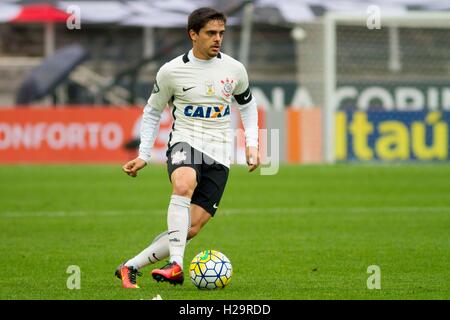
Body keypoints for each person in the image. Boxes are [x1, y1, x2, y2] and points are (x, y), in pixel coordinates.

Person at [115, 7, 260, 288]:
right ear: (193, 34)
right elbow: (152, 111)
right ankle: (177, 265)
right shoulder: (171, 71)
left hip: (220, 153)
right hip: (186, 141)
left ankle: (130, 266)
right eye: (210, 33)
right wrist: (144, 154)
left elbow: (247, 105)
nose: (218, 39)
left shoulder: (234, 69)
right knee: (183, 184)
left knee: (190, 228)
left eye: (221, 33)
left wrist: (252, 145)